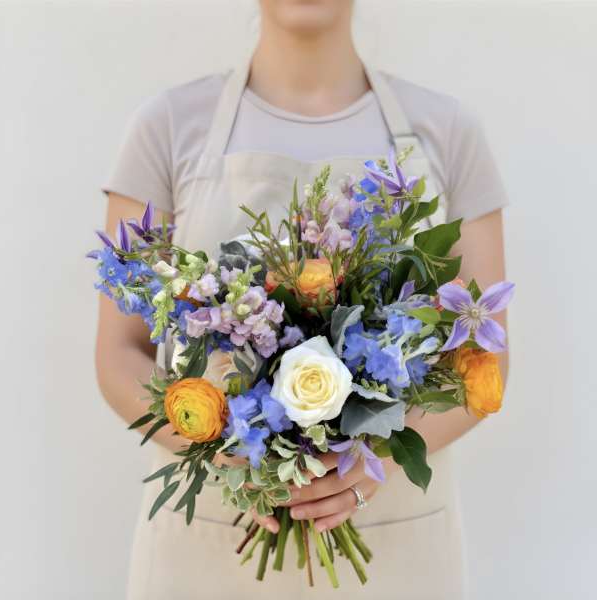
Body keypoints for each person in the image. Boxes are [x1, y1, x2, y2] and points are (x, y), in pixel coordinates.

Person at [96, 1, 509, 598]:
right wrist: (227, 446)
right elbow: (119, 352)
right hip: (211, 545)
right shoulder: (167, 126)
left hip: (396, 545)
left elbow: (487, 362)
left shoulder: (447, 131)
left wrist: (374, 463)